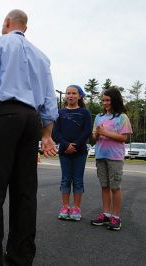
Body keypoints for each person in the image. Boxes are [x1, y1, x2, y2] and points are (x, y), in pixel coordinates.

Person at [0, 10, 59, 266]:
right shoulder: (42, 57)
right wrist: (46, 134)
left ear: (7, 23)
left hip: (5, 115)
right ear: (25, 27)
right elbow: (49, 99)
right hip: (31, 120)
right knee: (25, 192)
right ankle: (20, 257)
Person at [90, 88, 132, 231]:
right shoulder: (99, 117)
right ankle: (106, 214)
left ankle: (116, 217)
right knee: (104, 186)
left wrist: (104, 132)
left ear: (115, 100)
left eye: (108, 100)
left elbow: (123, 138)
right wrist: (97, 134)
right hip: (100, 155)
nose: (105, 103)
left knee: (115, 187)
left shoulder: (122, 117)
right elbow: (95, 137)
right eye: (103, 100)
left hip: (115, 157)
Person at [53, 85, 92, 221]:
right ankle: (65, 207)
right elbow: (55, 132)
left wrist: (75, 145)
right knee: (65, 179)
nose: (70, 95)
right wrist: (66, 145)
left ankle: (76, 208)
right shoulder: (59, 113)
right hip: (64, 152)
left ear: (79, 96)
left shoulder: (85, 113)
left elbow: (87, 131)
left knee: (77, 180)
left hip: (80, 152)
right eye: (68, 93)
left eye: (73, 93)